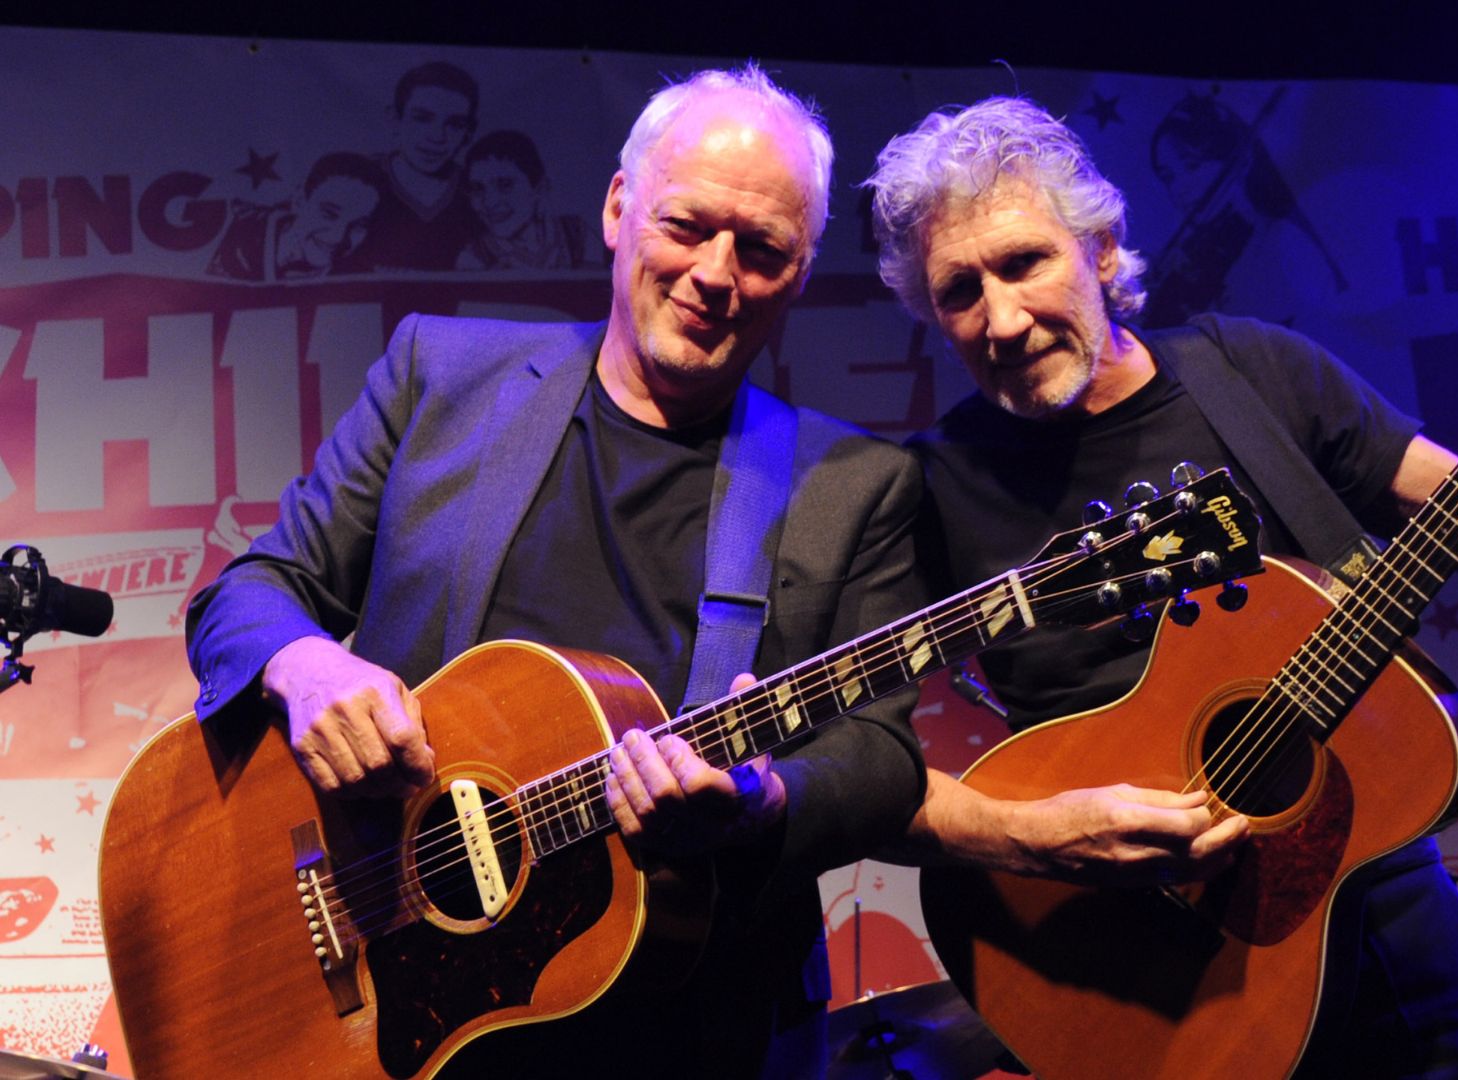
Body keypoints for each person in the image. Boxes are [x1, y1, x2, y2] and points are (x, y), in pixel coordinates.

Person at [865, 97, 1458, 1078]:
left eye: (1024, 263)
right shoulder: (932, 484)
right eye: (958, 291)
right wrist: (1030, 835)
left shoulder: (1255, 377)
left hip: (1371, 929)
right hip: (1124, 967)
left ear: (1102, 248)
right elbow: (847, 774)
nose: (1000, 318)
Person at [186, 65, 926, 1078]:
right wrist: (307, 669)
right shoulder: (439, 375)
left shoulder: (852, 484)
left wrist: (762, 801)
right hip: (396, 990)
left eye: (762, 250)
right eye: (688, 225)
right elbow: (250, 592)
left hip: (682, 1029)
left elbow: (882, 760)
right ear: (619, 209)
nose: (717, 274)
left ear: (799, 274)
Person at [351, 60, 485, 271]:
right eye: (422, 118)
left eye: (455, 124)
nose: (437, 136)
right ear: (395, 118)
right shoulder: (356, 179)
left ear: (468, 133)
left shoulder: (480, 191)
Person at [205, 151, 383, 281]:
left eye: (359, 225)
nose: (338, 237)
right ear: (299, 199)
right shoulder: (222, 237)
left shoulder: (361, 282)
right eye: (329, 213)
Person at [456, 128, 591, 270]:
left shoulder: (578, 234)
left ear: (539, 188)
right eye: (478, 189)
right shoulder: (473, 258)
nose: (489, 202)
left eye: (505, 185)